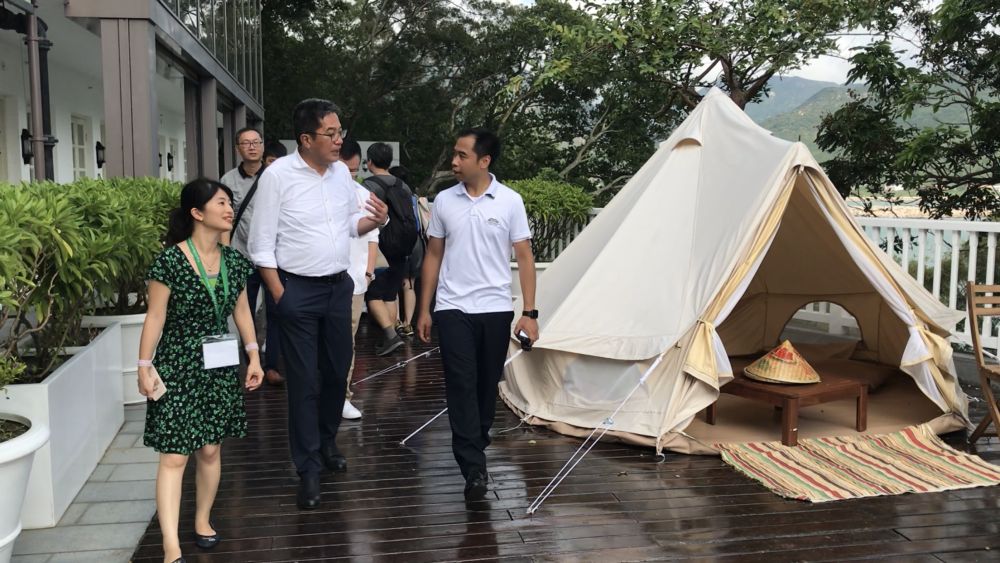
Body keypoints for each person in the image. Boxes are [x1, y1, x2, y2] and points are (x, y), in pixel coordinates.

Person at [248, 98, 388, 510]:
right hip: (296, 291)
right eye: (331, 133)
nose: (338, 140)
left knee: (334, 374)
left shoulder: (340, 178)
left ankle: (327, 444)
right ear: (306, 138)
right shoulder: (278, 177)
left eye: (339, 132)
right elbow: (261, 245)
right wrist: (281, 296)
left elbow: (349, 225)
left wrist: (374, 222)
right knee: (304, 382)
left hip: (337, 288)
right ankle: (307, 468)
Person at [137, 178, 264, 563]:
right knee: (174, 455)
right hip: (177, 364)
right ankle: (170, 545)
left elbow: (241, 311)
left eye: (229, 203)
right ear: (197, 213)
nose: (229, 210)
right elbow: (155, 316)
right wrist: (143, 366)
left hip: (220, 365)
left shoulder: (234, 261)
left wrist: (254, 355)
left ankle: (203, 520)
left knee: (210, 449)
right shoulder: (171, 260)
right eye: (221, 203)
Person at [417, 128, 539, 501]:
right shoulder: (443, 201)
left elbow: (524, 257)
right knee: (460, 383)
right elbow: (434, 254)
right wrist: (424, 307)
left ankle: (478, 437)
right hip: (453, 307)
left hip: (496, 307)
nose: (454, 162)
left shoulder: (510, 201)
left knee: (487, 385)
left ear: (484, 161)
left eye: (462, 156)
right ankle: (473, 466)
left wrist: (529, 313)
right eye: (454, 154)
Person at [220, 127, 284, 386]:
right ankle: (248, 360)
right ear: (238, 148)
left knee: (276, 309)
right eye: (246, 143)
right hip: (240, 255)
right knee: (239, 309)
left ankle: (272, 365)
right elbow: (224, 219)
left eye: (256, 142)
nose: (252, 147)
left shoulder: (275, 176)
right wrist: (224, 255)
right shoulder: (228, 180)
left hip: (271, 258)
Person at [363, 142, 416, 356]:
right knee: (390, 294)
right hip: (402, 247)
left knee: (373, 295)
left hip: (381, 248)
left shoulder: (368, 185)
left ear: (370, 162)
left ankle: (391, 336)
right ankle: (392, 337)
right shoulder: (403, 186)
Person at [340, 138, 379, 420]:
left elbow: (372, 237)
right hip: (316, 279)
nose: (349, 175)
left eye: (354, 170)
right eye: (345, 169)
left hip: (353, 280)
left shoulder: (363, 195)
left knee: (346, 341)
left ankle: (342, 396)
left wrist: (367, 272)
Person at [389, 164, 425, 337]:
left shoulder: (392, 196)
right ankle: (408, 323)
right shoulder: (414, 197)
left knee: (395, 284)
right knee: (410, 283)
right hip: (416, 242)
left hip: (398, 241)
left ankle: (395, 321)